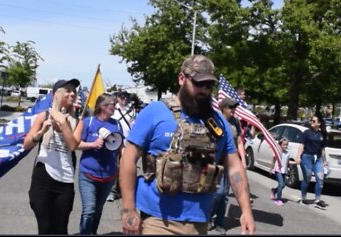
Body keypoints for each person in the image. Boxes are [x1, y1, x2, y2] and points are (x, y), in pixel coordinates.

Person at [119, 54, 255, 235]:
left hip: (199, 222)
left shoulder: (218, 122)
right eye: (199, 83)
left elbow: (234, 168)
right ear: (182, 78)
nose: (205, 90)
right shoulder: (155, 112)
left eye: (209, 85)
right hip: (157, 220)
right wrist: (129, 210)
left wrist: (246, 211)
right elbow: (128, 159)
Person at [23, 78, 81, 235]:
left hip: (65, 181)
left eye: (74, 91)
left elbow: (73, 146)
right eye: (68, 90)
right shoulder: (44, 115)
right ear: (56, 94)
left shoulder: (77, 121)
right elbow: (27, 144)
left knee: (61, 229)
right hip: (43, 178)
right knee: (45, 228)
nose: (72, 94)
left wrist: (63, 123)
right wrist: (41, 132)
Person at [76, 93, 123, 235]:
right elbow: (76, 144)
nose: (115, 107)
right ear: (103, 106)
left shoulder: (117, 124)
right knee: (89, 210)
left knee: (97, 210)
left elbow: (121, 147)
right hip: (88, 175)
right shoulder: (88, 122)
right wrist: (93, 144)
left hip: (108, 176)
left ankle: (93, 232)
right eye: (112, 104)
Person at [208, 97, 247, 234]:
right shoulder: (216, 120)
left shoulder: (235, 122)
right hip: (216, 162)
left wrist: (242, 159)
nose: (233, 110)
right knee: (217, 193)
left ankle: (219, 222)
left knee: (224, 194)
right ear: (223, 107)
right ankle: (208, 218)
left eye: (234, 108)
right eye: (230, 107)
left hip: (230, 162)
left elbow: (240, 141)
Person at [107, 90, 136, 202]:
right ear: (117, 98)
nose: (123, 99)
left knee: (125, 167)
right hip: (114, 141)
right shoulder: (113, 109)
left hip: (127, 142)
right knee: (114, 166)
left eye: (125, 97)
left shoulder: (132, 111)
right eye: (121, 97)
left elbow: (134, 127)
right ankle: (112, 191)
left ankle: (123, 190)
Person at [296, 115, 328, 210]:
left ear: (319, 123)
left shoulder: (322, 135)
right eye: (311, 121)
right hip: (307, 157)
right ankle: (303, 198)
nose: (312, 122)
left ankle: (317, 200)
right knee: (307, 177)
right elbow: (301, 145)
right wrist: (298, 157)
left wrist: (325, 160)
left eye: (314, 121)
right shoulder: (306, 133)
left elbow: (323, 149)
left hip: (318, 159)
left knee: (320, 179)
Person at [270, 138, 296, 206]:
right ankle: (278, 200)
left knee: (283, 185)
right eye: (284, 144)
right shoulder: (277, 152)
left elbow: (287, 162)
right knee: (281, 184)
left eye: (287, 145)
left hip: (284, 171)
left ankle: (274, 191)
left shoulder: (287, 153)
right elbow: (273, 161)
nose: (285, 146)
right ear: (280, 145)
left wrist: (295, 162)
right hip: (278, 170)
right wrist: (271, 168)